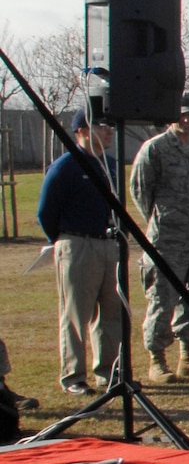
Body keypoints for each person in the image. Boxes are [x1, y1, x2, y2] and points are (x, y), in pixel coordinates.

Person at [130, 92, 189, 383]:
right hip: (167, 240)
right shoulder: (154, 149)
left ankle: (188, 355)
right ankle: (157, 360)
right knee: (162, 299)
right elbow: (141, 192)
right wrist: (160, 223)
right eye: (182, 113)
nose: (187, 119)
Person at [37, 111, 121, 396]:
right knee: (76, 314)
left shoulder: (110, 165)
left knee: (111, 312)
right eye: (101, 126)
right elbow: (46, 212)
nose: (109, 131)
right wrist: (63, 241)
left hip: (108, 243)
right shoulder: (65, 167)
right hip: (77, 244)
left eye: (110, 126)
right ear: (82, 131)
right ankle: (73, 376)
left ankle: (108, 372)